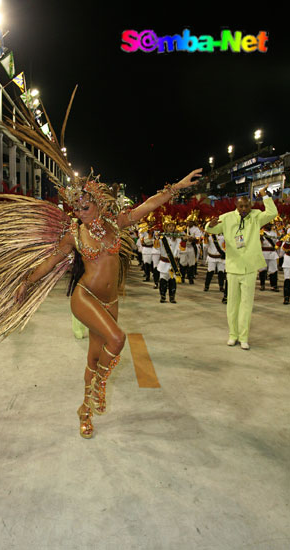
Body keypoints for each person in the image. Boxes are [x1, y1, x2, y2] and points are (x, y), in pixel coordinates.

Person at [14, 169, 202, 438]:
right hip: (85, 296)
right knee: (117, 339)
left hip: (110, 302)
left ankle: (85, 410)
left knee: (93, 356)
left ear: (99, 204)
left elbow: (148, 206)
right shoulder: (74, 235)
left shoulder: (116, 224)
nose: (81, 213)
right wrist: (27, 281)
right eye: (77, 209)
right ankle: (100, 386)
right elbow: (50, 262)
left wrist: (178, 186)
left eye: (85, 207)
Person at [205, 184, 277, 350]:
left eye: (247, 205)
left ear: (251, 205)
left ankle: (244, 337)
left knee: (246, 304)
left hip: (250, 268)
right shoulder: (228, 217)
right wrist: (210, 224)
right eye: (241, 206)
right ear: (236, 206)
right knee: (232, 304)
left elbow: (272, 213)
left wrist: (264, 196)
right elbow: (211, 229)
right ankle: (233, 335)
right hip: (233, 267)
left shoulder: (256, 216)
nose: (244, 208)